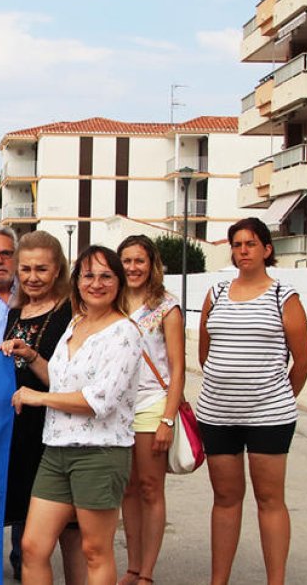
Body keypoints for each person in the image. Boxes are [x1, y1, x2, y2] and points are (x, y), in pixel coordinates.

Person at [12, 245, 142, 585]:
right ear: (77, 281)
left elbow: (100, 399)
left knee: (95, 551)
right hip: (56, 449)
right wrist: (30, 354)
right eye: (88, 276)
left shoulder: (124, 332)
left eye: (105, 276)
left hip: (98, 453)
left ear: (119, 283)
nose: (96, 283)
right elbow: (60, 378)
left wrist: (39, 398)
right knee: (33, 546)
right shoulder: (76, 322)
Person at [196, 217, 307, 585]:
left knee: (269, 500)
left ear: (266, 249)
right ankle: (219, 580)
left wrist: (276, 398)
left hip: (269, 417)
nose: (242, 250)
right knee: (226, 500)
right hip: (217, 415)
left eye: (250, 244)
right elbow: (205, 353)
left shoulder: (283, 296)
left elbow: (304, 361)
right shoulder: (215, 292)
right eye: (236, 244)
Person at [0, 231, 82, 583]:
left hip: (56, 430)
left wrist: (30, 356)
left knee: (72, 533)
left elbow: (71, 382)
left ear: (58, 269)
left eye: (41, 269)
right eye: (26, 268)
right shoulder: (16, 310)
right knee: (31, 532)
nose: (32, 277)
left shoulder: (71, 312)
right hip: (20, 429)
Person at [116, 235, 185, 585]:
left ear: (152, 264)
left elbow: (177, 368)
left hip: (151, 404)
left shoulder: (166, 307)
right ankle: (131, 565)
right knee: (127, 489)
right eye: (126, 260)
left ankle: (147, 573)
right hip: (117, 408)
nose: (132, 267)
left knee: (149, 488)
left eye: (139, 261)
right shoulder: (110, 302)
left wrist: (167, 419)